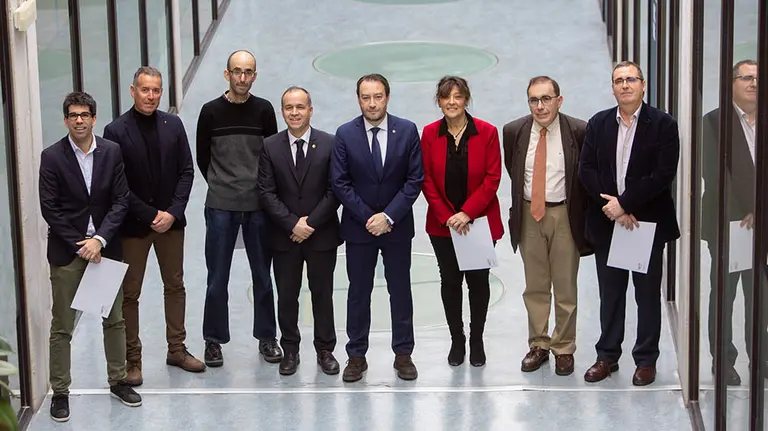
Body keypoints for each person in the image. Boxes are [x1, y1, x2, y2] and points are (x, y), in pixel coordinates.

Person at [39, 92, 141, 422]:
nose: (79, 120)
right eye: (73, 115)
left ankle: (118, 381)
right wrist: (81, 244)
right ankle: (61, 392)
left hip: (103, 249)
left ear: (94, 119)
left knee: (113, 320)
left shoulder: (111, 152)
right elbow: (50, 209)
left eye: (85, 115)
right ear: (66, 119)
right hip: (69, 253)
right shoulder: (51, 157)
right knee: (62, 326)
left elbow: (120, 201)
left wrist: (98, 240)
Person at [578, 61, 680, 386]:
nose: (625, 85)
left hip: (644, 226)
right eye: (619, 80)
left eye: (631, 79)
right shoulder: (598, 124)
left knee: (647, 295)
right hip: (609, 223)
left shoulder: (663, 125)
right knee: (611, 294)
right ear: (612, 88)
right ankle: (607, 356)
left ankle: (646, 359)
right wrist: (614, 207)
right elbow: (587, 170)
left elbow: (662, 175)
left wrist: (626, 203)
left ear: (643, 85)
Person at [103, 66, 204, 386]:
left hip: (171, 224)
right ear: (132, 91)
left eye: (156, 90)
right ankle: (133, 359)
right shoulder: (115, 131)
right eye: (145, 90)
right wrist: (150, 214)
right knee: (130, 293)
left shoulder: (173, 125)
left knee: (175, 285)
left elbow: (186, 171)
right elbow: (117, 185)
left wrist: (172, 212)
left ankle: (177, 349)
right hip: (134, 226)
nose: (151, 96)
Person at [331, 74, 424, 382]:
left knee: (400, 291)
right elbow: (340, 183)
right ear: (359, 99)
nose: (372, 103)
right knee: (358, 292)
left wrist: (389, 217)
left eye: (378, 96)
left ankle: (403, 354)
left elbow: (414, 180)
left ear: (387, 97)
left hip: (397, 228)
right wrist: (369, 217)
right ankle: (356, 355)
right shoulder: (345, 134)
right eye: (366, 97)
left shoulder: (407, 131)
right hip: (360, 230)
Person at [196, 50, 281, 367]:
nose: (242, 77)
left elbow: (272, 156)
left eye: (248, 72)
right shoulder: (210, 112)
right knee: (217, 277)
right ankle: (213, 340)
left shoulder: (264, 111)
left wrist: (257, 189)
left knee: (262, 275)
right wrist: (223, 185)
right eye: (237, 71)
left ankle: (267, 337)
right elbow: (203, 158)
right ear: (226, 74)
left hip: (258, 207)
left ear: (255, 76)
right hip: (221, 205)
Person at [502, 76, 590, 376]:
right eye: (534, 100)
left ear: (559, 100)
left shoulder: (578, 130)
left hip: (564, 215)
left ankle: (563, 347)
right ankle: (538, 343)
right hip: (529, 214)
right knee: (535, 285)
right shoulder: (514, 131)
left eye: (546, 99)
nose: (540, 106)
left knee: (565, 285)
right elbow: (512, 171)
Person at [420, 76, 503, 367]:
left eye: (457, 96)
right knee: (451, 281)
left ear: (466, 99)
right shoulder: (430, 134)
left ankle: (477, 338)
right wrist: (448, 217)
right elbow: (426, 179)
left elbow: (493, 177)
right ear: (439, 101)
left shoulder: (487, 132)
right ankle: (457, 339)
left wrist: (467, 213)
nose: (452, 102)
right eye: (446, 97)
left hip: (478, 223)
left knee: (478, 282)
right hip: (443, 226)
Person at [259, 86, 341, 376]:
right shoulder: (270, 146)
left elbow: (335, 190)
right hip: (285, 237)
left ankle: (325, 349)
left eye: (300, 107)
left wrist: (310, 224)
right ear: (282, 111)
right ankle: (290, 349)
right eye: (288, 108)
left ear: (310, 109)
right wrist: (293, 223)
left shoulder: (330, 144)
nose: (294, 113)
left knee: (322, 293)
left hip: (322, 236)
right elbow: (266, 192)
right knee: (287, 296)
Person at [702, 59, 765, 385]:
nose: (754, 83)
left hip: (763, 224)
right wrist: (747, 211)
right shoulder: (713, 123)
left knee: (761, 296)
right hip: (729, 225)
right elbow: (714, 175)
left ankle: (761, 359)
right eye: (746, 78)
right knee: (724, 295)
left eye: (758, 78)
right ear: (731, 84)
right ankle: (723, 361)